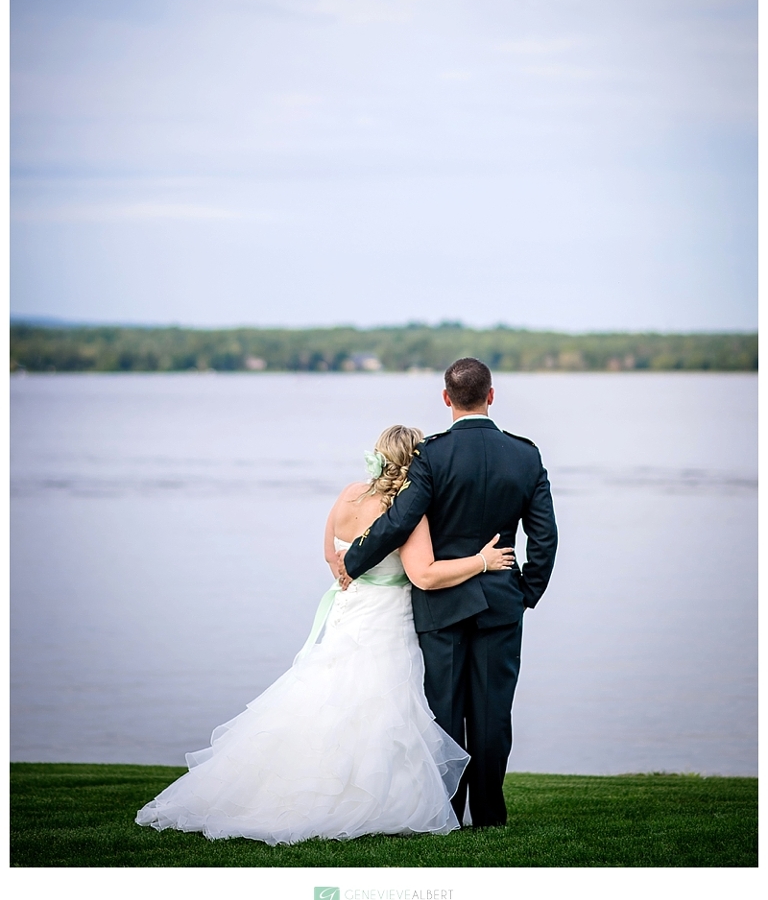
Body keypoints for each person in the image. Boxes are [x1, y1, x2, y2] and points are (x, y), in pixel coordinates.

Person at [135, 424, 514, 845]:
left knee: (332, 695)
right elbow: (423, 576)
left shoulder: (349, 494)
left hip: (347, 615)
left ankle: (306, 787)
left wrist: (348, 576)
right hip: (386, 618)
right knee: (381, 705)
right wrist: (482, 561)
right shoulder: (405, 512)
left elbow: (331, 555)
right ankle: (377, 800)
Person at [341, 357, 558, 829]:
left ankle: (447, 813)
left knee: (444, 713)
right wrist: (526, 591)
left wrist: (352, 562)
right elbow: (544, 537)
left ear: (446, 398)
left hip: (440, 605)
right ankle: (490, 817)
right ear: (491, 395)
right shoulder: (525, 455)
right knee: (493, 716)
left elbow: (400, 521)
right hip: (501, 602)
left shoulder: (432, 455)